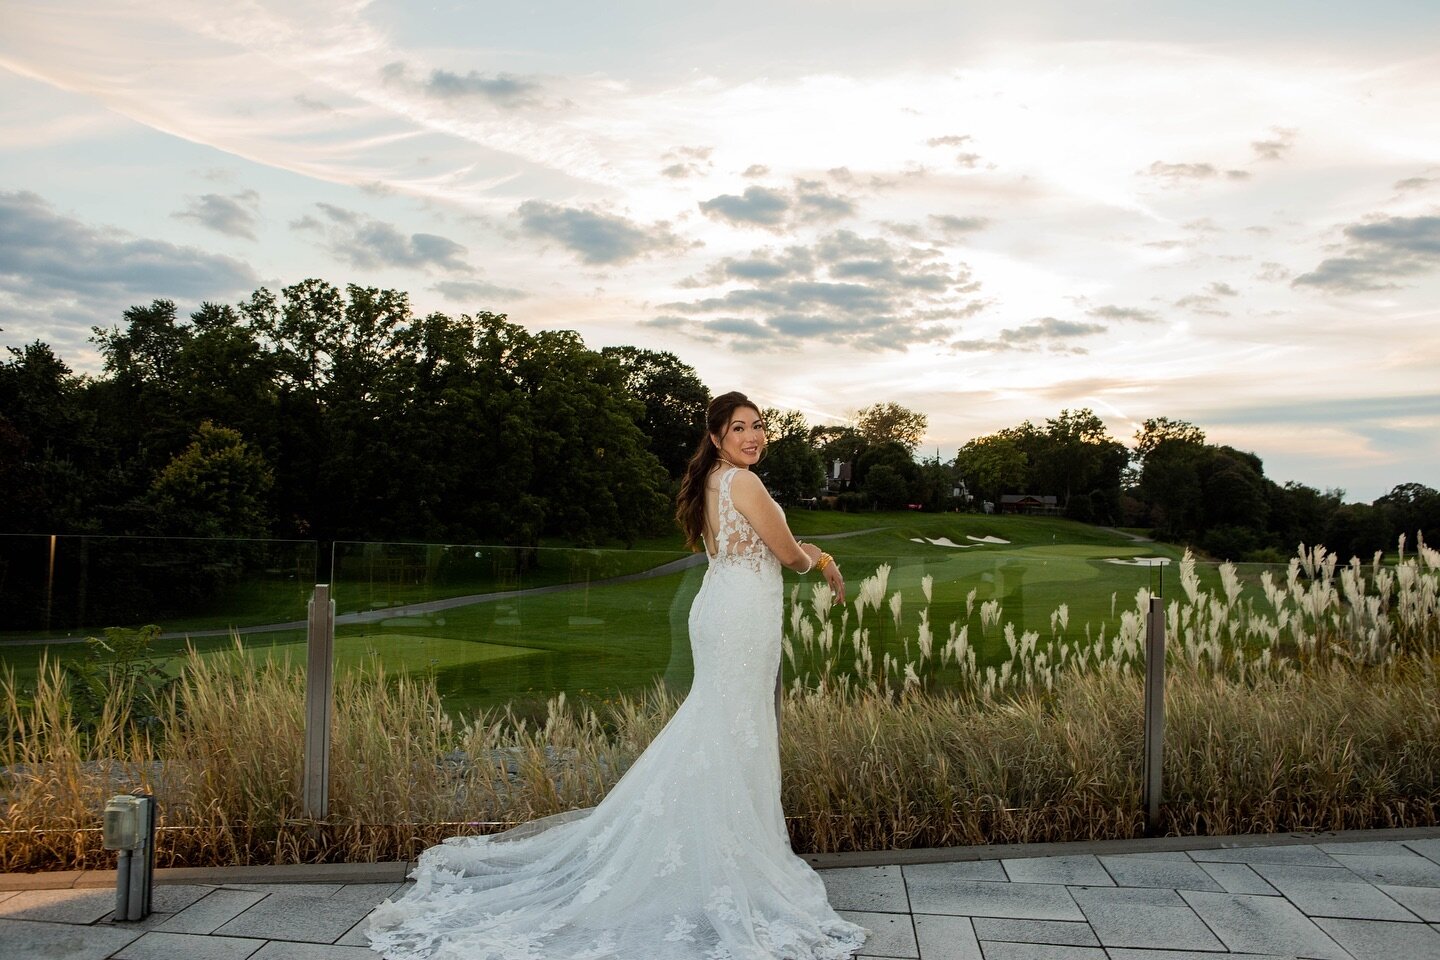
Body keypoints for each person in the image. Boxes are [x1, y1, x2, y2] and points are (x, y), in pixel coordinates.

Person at [367, 391, 868, 960]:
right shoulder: (745, 484)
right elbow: (787, 555)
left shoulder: (710, 483)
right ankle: (726, 858)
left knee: (721, 726)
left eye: (757, 426)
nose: (753, 436)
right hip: (741, 618)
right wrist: (821, 558)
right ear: (716, 438)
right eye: (739, 428)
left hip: (722, 609)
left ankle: (720, 849)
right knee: (732, 728)